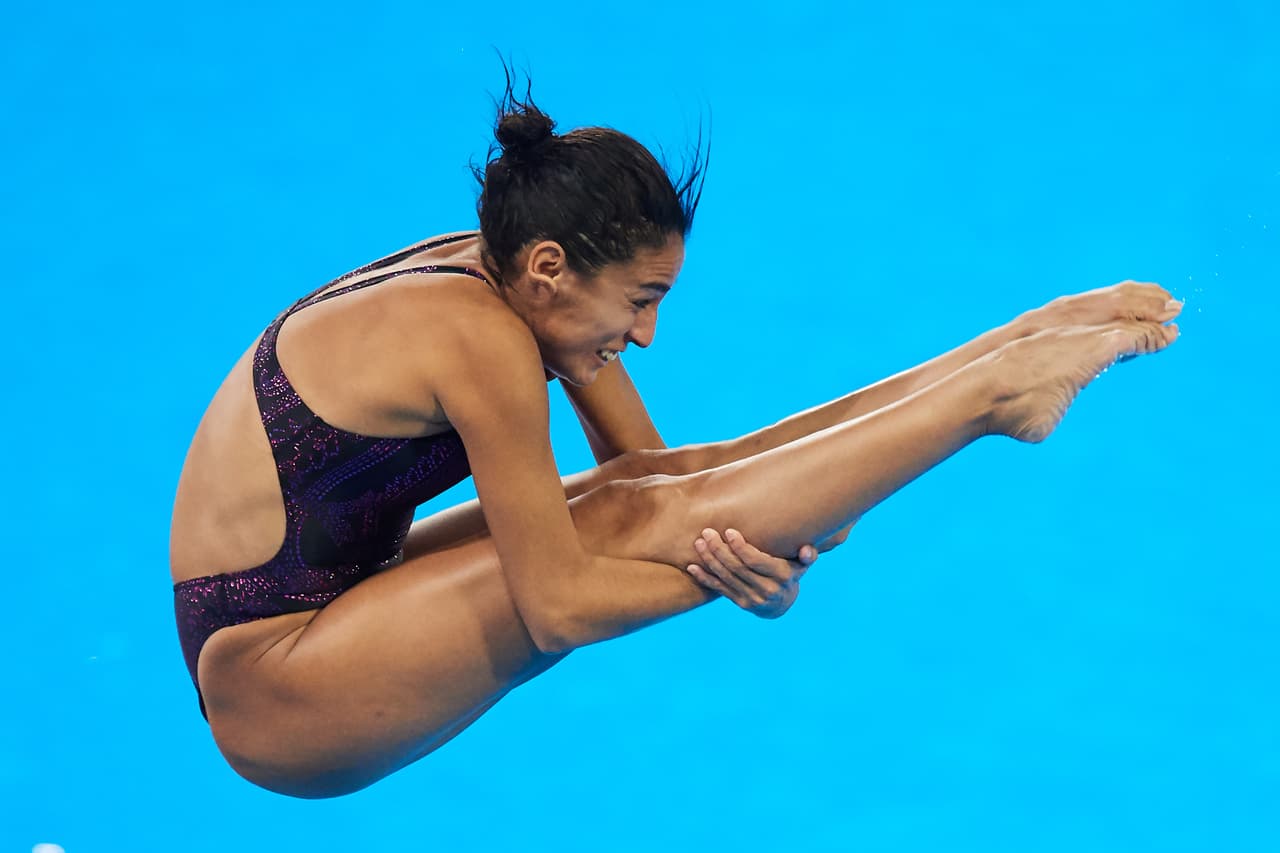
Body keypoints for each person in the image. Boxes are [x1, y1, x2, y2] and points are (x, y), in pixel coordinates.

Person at [168, 75, 1182, 799]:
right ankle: (989, 399)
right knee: (632, 530)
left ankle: (995, 355)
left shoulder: (510, 275)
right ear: (555, 266)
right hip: (279, 690)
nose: (646, 332)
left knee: (640, 505)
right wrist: (737, 566)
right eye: (642, 299)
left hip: (328, 607)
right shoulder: (472, 333)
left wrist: (754, 544)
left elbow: (654, 478)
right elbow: (560, 606)